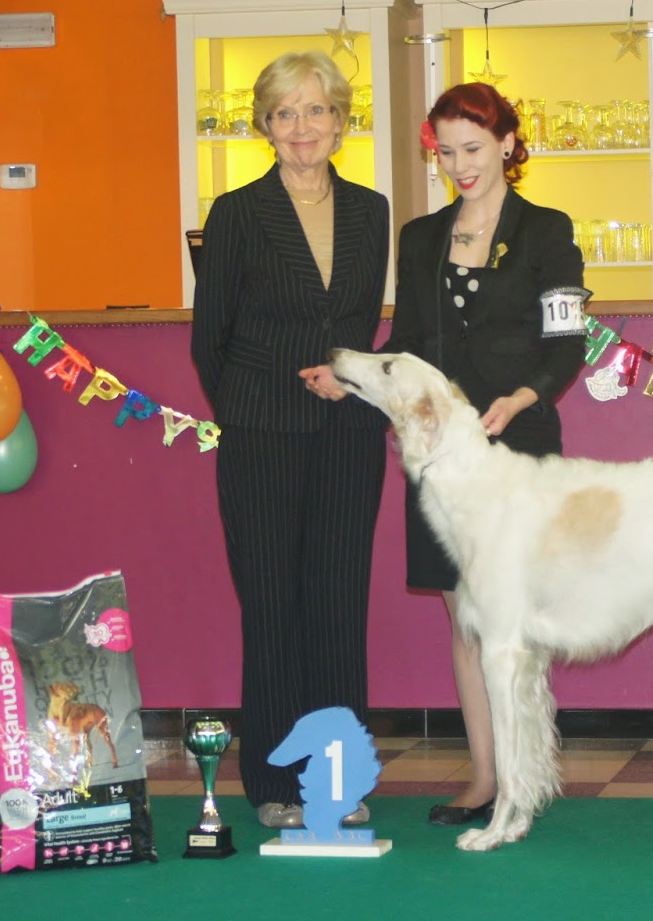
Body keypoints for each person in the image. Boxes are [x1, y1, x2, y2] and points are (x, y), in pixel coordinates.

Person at [306, 82, 588, 826]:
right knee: (465, 617)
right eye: (447, 153)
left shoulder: (546, 230)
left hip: (517, 447)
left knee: (512, 622)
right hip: (439, 459)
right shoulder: (421, 237)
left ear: (507, 144)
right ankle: (488, 778)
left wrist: (523, 397)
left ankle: (527, 775)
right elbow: (407, 347)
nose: (461, 166)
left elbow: (567, 343)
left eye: (473, 149)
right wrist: (350, 379)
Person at [191, 50, 389, 830]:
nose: (302, 127)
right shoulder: (236, 213)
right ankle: (275, 782)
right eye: (284, 113)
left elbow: (363, 325)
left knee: (338, 607)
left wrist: (350, 383)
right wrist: (256, 407)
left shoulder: (372, 210)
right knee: (272, 607)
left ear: (340, 120)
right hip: (261, 437)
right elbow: (210, 341)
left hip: (349, 433)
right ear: (265, 126)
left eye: (316, 110)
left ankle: (339, 779)